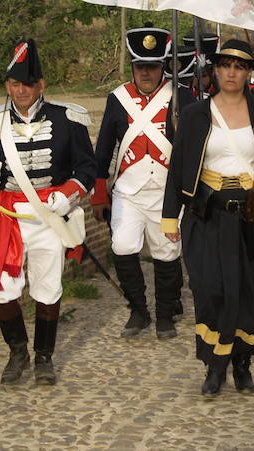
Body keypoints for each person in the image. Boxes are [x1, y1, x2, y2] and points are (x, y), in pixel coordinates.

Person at [161, 38, 254, 396]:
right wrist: (170, 217)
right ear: (215, 70)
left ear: (249, 72)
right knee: (209, 289)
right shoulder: (194, 115)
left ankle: (241, 365)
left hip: (250, 215)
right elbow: (178, 170)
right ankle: (213, 365)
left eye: (240, 67)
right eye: (225, 66)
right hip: (207, 214)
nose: (232, 73)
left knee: (246, 291)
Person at [0, 38, 97, 386]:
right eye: (14, 84)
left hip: (50, 216)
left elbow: (87, 168)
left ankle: (44, 357)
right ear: (7, 86)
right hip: (9, 217)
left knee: (47, 288)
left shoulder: (67, 119)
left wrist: (69, 195)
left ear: (41, 84)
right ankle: (17, 353)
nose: (21, 90)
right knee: (3, 290)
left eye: (28, 83)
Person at [91, 25, 196, 339]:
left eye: (152, 66)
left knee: (166, 252)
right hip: (129, 190)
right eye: (140, 67)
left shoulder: (182, 95)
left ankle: (165, 314)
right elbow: (104, 147)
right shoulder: (118, 99)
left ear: (162, 65)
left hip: (168, 192)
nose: (146, 73)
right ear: (132, 66)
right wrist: (99, 191)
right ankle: (138, 310)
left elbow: (195, 147)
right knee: (122, 246)